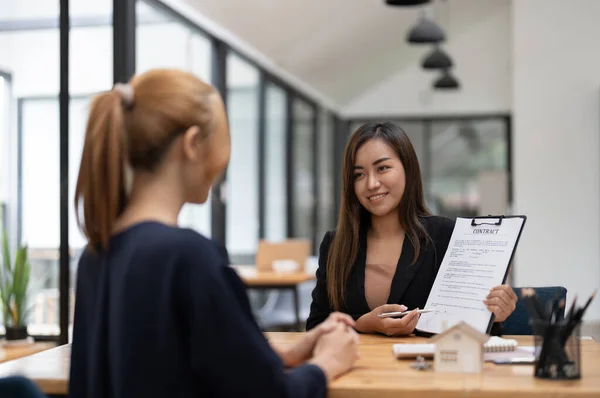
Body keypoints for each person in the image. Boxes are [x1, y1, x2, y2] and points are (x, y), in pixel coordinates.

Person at [68, 69, 359, 398]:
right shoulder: (187, 256)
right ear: (192, 144)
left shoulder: (94, 257)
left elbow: (159, 362)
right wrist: (326, 364)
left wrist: (284, 355)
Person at [306, 122, 517, 336]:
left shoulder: (446, 236)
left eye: (382, 168)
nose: (371, 184)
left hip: (429, 367)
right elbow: (315, 327)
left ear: (408, 169)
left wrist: (494, 313)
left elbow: (475, 330)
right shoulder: (336, 244)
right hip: (356, 367)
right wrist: (362, 324)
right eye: (359, 174)